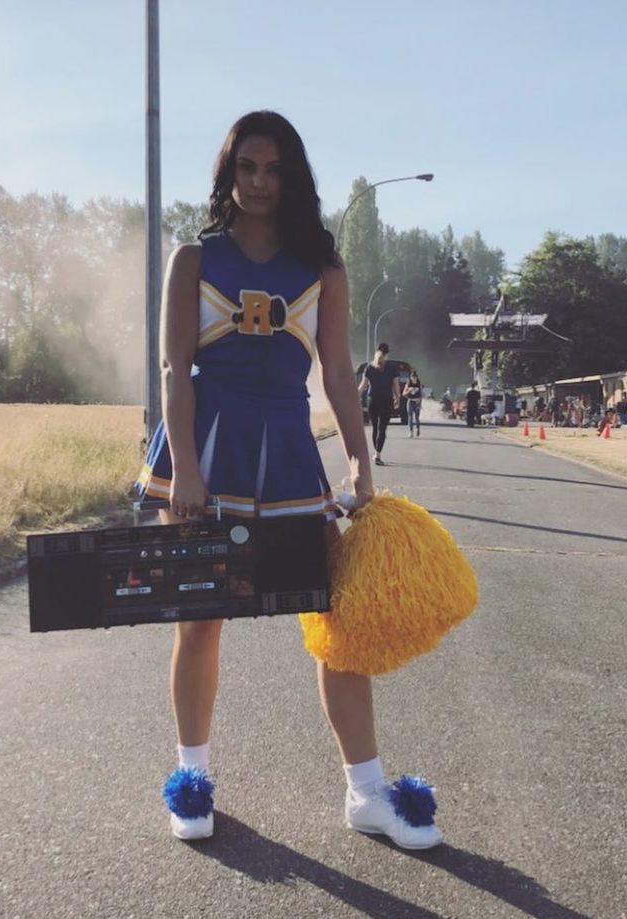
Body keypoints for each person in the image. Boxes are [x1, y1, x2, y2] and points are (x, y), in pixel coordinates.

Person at [135, 111, 442, 849]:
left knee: (334, 622)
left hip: (288, 456)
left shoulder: (323, 268)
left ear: (292, 176)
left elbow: (336, 373)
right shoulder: (192, 258)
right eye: (246, 168)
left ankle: (366, 792)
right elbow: (175, 368)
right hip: (204, 452)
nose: (259, 183)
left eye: (273, 169)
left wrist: (361, 460)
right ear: (227, 172)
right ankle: (192, 780)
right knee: (201, 619)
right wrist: (187, 470)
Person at [357, 343, 401, 465]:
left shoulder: (369, 367)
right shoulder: (392, 367)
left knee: (375, 427)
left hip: (372, 400)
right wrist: (398, 398)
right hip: (386, 400)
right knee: (382, 428)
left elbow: (363, 386)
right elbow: (396, 386)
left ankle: (376, 453)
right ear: (387, 354)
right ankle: (378, 453)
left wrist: (355, 397)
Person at [403, 369, 423, 437]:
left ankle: (418, 428)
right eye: (412, 378)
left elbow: (421, 395)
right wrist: (409, 391)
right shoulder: (408, 383)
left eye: (415, 378)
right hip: (410, 401)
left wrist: (420, 403)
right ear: (410, 378)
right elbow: (404, 394)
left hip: (417, 402)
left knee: (417, 417)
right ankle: (411, 431)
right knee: (410, 417)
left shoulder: (419, 383)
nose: (414, 379)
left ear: (417, 378)